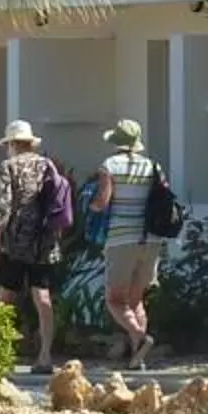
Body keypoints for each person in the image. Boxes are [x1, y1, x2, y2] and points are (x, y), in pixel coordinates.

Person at [0, 120, 66, 372]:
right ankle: (45, 356)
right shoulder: (47, 165)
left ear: (11, 144)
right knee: (42, 296)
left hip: (16, 240)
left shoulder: (9, 166)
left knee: (6, 297)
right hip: (44, 240)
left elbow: (3, 207)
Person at [90, 120, 164, 370]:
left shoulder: (110, 165)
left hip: (121, 238)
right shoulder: (152, 166)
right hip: (151, 239)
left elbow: (103, 201)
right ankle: (137, 359)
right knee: (136, 300)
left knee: (114, 300)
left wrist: (91, 207)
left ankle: (139, 336)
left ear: (116, 142)